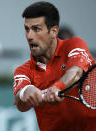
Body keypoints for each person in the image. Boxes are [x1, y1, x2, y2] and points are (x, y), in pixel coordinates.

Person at [13, 1, 96, 131]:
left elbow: (76, 72)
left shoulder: (74, 45)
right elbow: (20, 104)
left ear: (53, 31)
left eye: (36, 29)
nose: (29, 36)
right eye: (27, 29)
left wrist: (58, 87)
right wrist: (26, 92)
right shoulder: (23, 70)